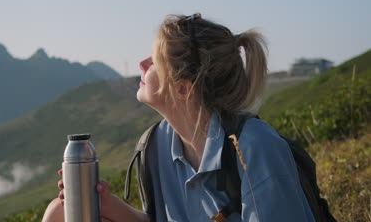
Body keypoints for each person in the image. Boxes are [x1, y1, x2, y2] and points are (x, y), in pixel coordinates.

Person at [42, 14, 315, 222]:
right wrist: (105, 204)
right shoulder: (156, 144)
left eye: (155, 61)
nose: (142, 64)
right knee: (59, 212)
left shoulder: (255, 147)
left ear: (183, 88)